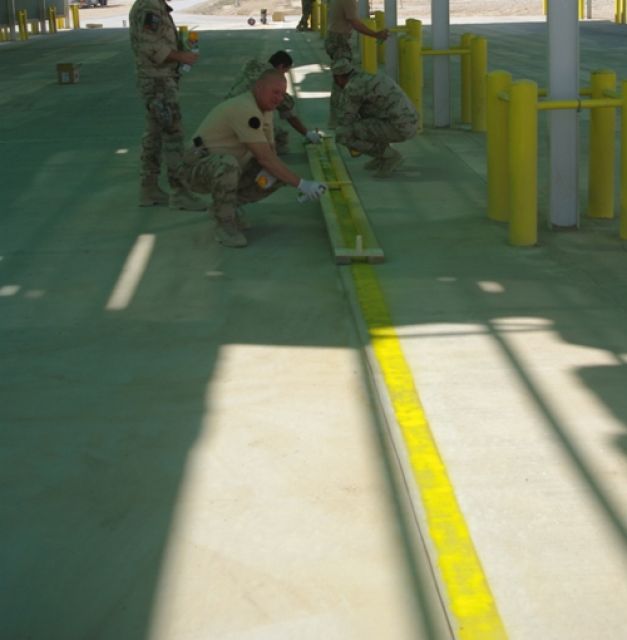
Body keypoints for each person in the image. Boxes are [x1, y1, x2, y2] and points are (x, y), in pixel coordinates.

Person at [177, 70, 327, 248]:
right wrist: (303, 185)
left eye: (282, 94)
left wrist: (285, 177)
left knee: (276, 174)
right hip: (196, 169)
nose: (279, 98)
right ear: (259, 87)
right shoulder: (244, 108)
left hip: (224, 167)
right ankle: (224, 224)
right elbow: (264, 158)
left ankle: (226, 207)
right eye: (275, 92)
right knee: (229, 165)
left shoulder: (266, 110)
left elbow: (270, 153)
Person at [129, 0, 205, 210]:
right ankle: (180, 192)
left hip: (158, 80)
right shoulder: (149, 7)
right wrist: (182, 56)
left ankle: (149, 188)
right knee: (173, 135)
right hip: (158, 82)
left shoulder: (154, 6)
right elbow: (151, 47)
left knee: (154, 135)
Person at [331, 58, 419, 177]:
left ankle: (389, 156)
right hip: (410, 122)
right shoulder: (368, 77)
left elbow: (346, 120)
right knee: (366, 119)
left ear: (339, 77)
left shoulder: (353, 87)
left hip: (399, 127)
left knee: (343, 133)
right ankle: (382, 156)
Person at [225, 50, 322, 155]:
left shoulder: (252, 65)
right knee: (279, 137)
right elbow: (289, 113)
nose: (283, 75)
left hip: (225, 113)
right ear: (280, 66)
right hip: (243, 119)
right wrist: (307, 133)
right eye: (285, 72)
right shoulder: (271, 80)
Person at [324, 0, 388, 125]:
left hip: (336, 39)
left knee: (341, 80)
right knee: (342, 82)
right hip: (340, 41)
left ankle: (339, 119)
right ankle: (340, 120)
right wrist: (375, 34)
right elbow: (355, 23)